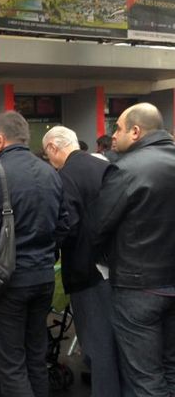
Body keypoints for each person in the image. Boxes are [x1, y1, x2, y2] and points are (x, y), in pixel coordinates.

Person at [0, 111, 68, 397]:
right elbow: (65, 223)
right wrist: (46, 252)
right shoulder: (50, 172)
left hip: (5, 282)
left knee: (10, 365)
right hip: (42, 276)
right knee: (35, 358)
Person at [89, 102, 175, 397]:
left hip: (138, 287)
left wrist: (99, 259)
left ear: (136, 132)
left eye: (119, 128)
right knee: (171, 368)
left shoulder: (125, 169)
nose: (113, 135)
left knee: (144, 378)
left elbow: (98, 227)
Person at [43, 125, 122, 397]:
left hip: (86, 270)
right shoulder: (106, 166)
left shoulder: (65, 176)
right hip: (117, 265)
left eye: (47, 153)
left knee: (98, 347)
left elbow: (67, 226)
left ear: (54, 147)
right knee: (116, 343)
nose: (48, 160)